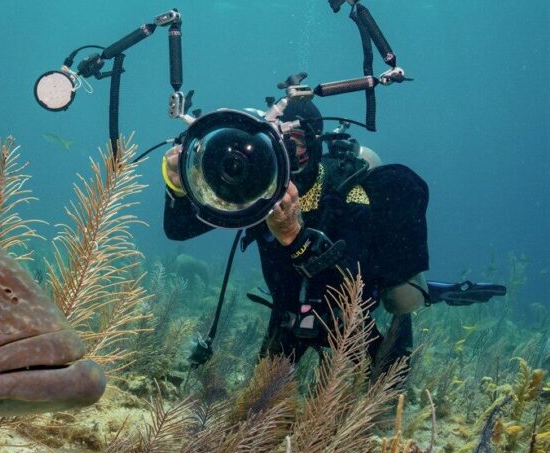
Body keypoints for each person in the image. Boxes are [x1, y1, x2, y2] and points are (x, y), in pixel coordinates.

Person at [162, 97, 429, 374]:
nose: (286, 150)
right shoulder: (259, 193)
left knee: (388, 387)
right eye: (276, 139)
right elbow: (178, 229)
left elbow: (351, 284)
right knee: (262, 401)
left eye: (295, 141)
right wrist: (178, 187)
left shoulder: (346, 191)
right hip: (288, 314)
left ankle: (404, 325)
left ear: (314, 143)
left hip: (351, 319)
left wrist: (294, 237)